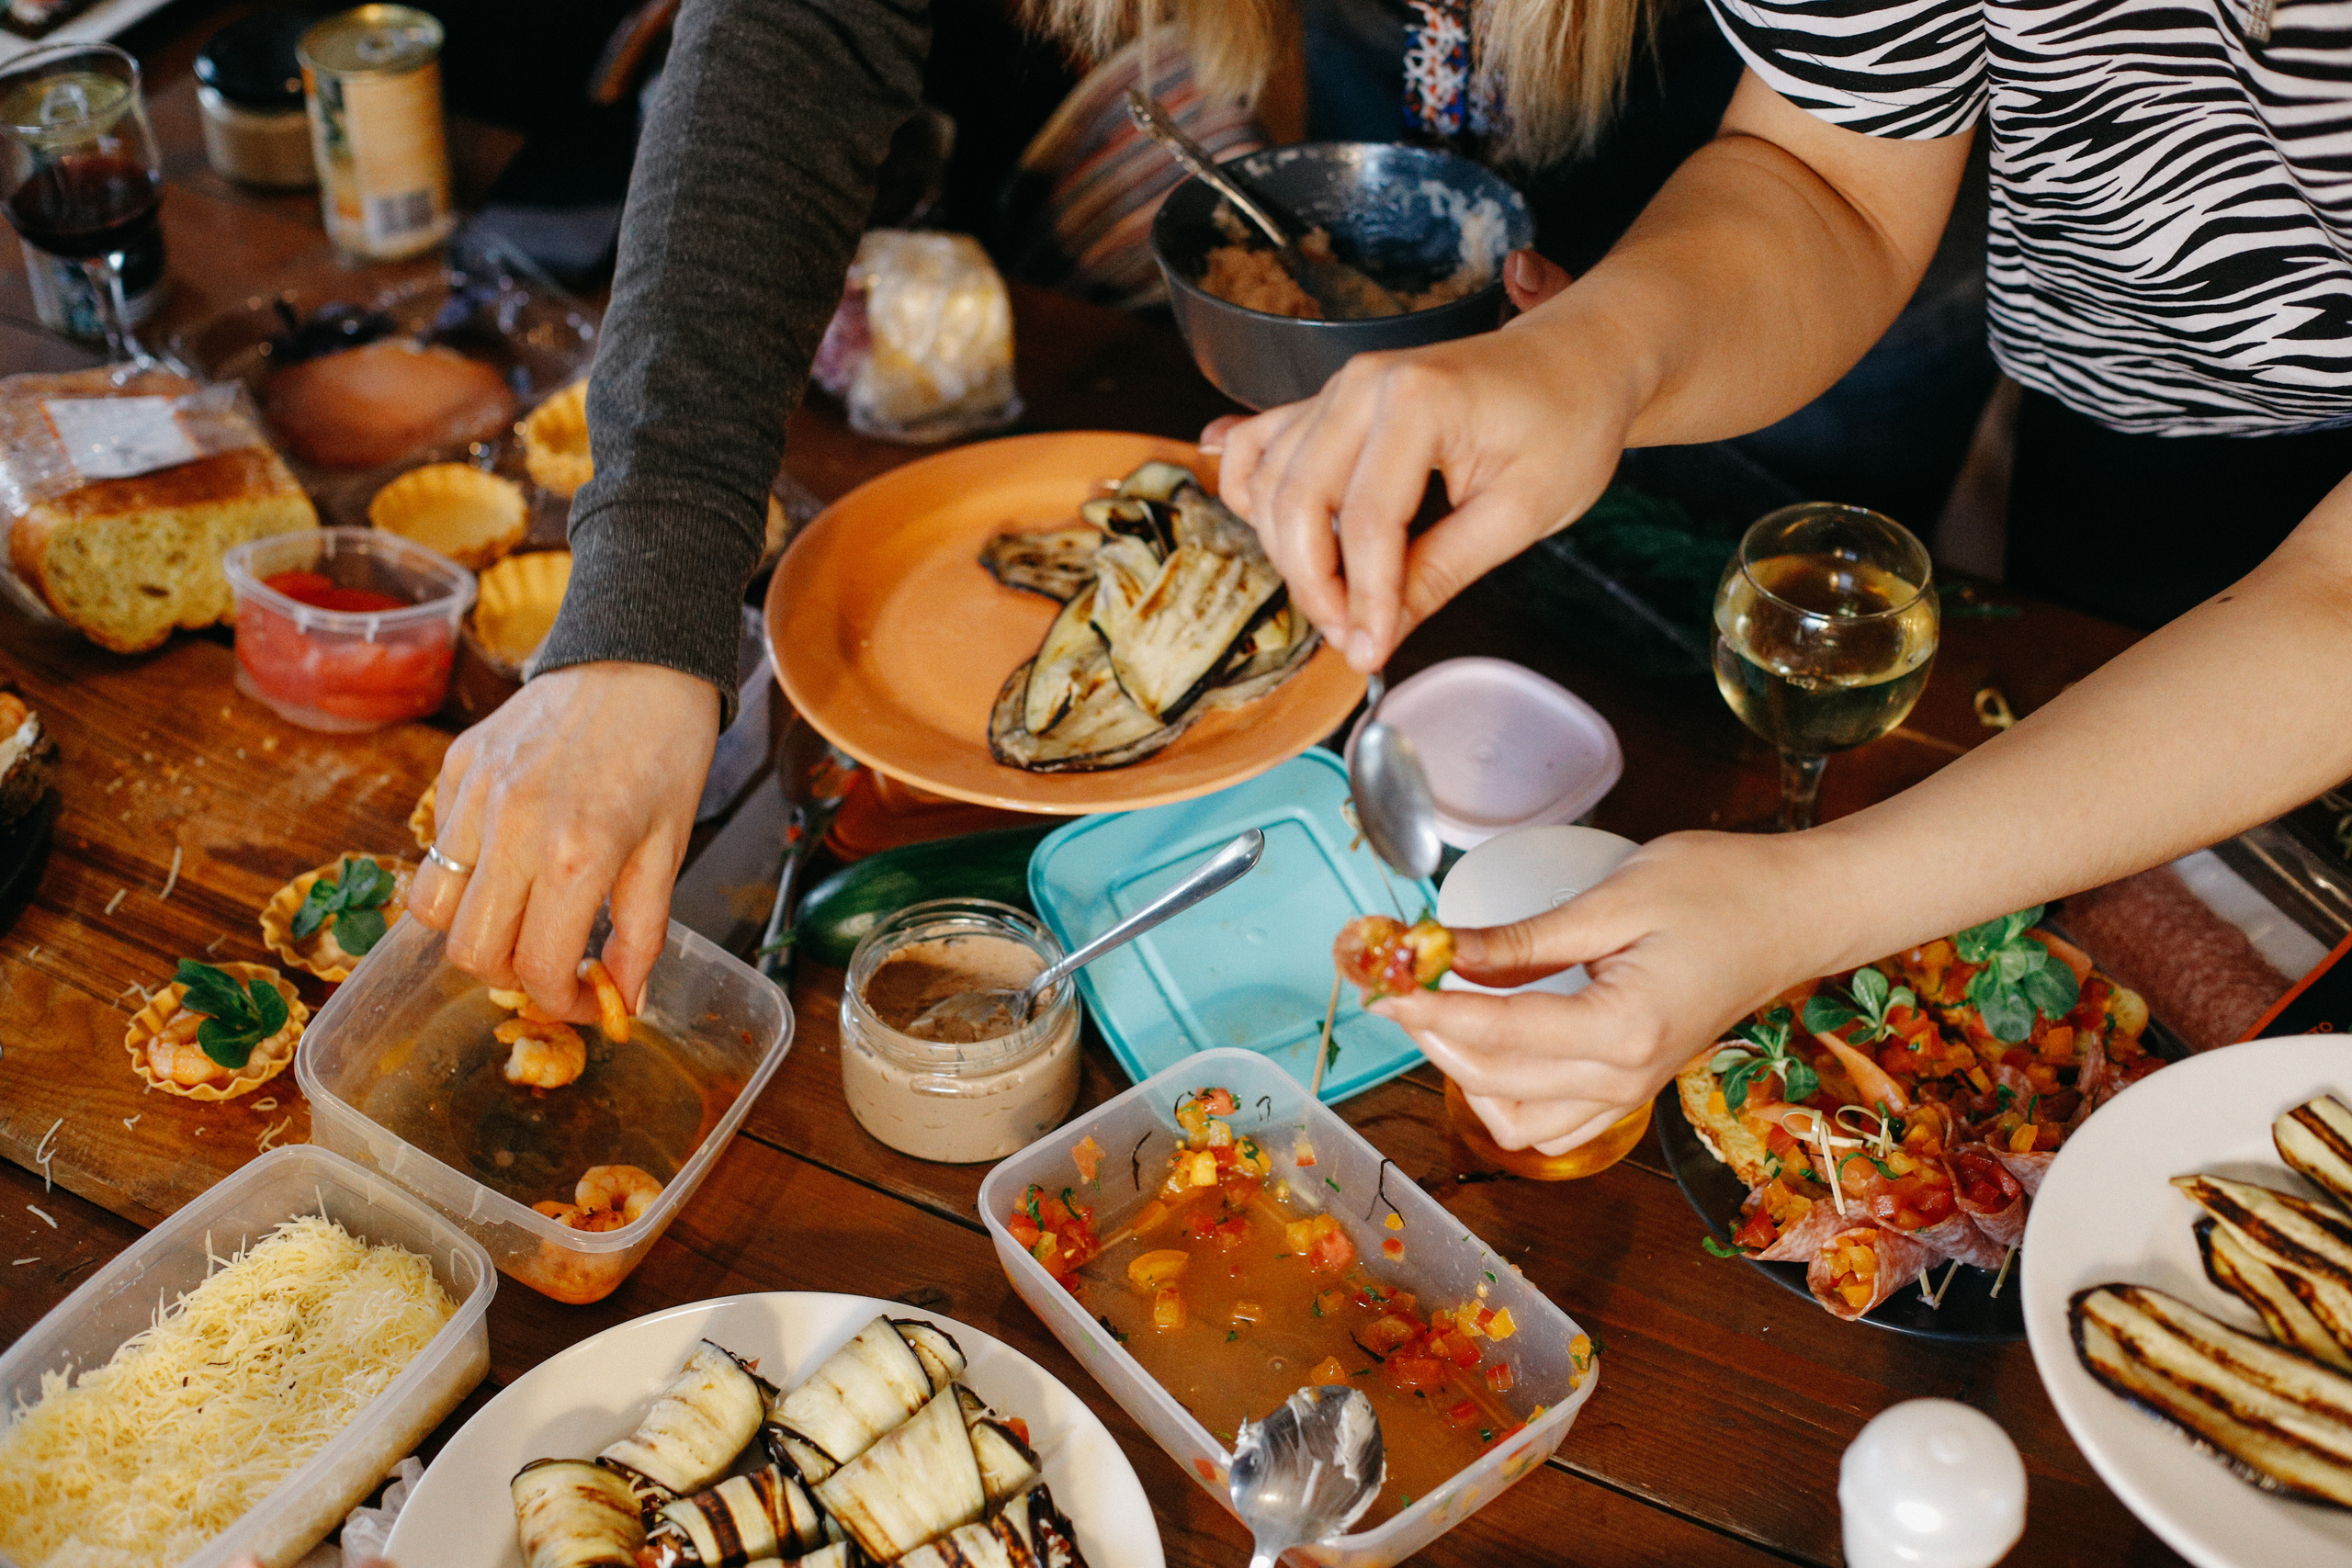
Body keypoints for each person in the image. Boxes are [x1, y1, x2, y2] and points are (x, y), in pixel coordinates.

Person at [1213, 3, 2352, 1150]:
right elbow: (1834, 170)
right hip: (2134, 364)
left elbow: (2333, 604)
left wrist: (1810, 903)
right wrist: (1590, 358)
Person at [406, 0, 1664, 1021]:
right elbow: (805, 28)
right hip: (1350, 405)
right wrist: (642, 608)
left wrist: (1607, 357)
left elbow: (1831, 185)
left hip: (1749, 405)